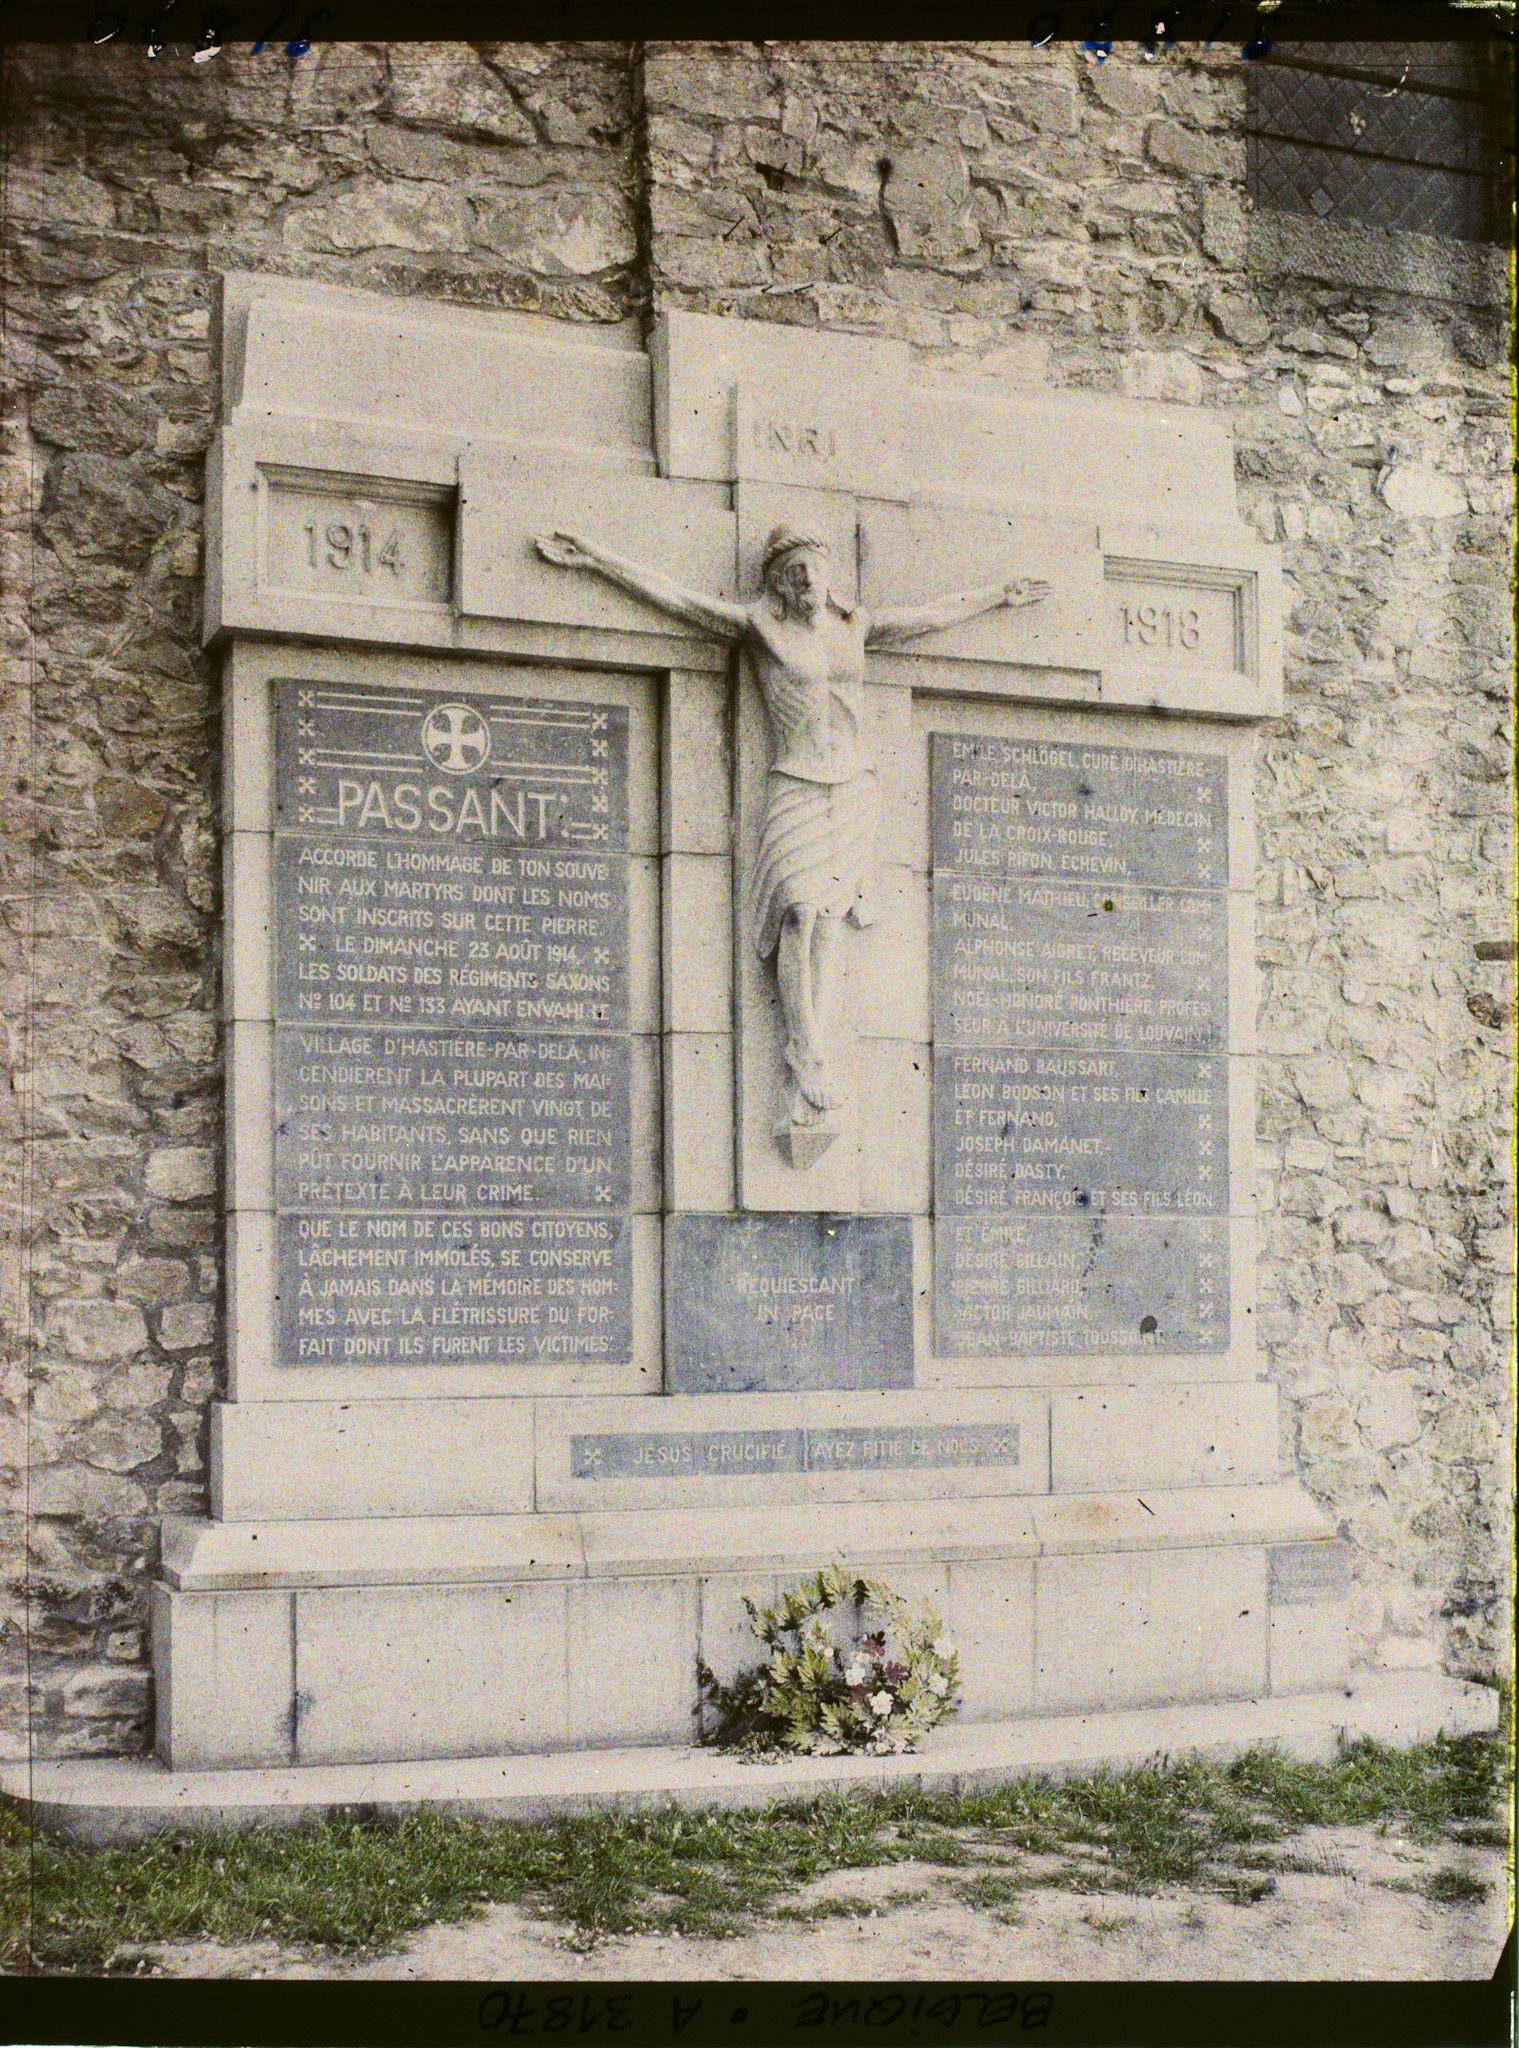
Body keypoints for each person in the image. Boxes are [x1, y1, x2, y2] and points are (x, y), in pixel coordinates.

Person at [535, 520, 1048, 1142]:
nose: (806, 579)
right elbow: (676, 598)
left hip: (853, 787)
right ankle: (803, 1049)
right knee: (798, 912)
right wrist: (595, 557)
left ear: (827, 575)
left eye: (814, 567)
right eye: (794, 571)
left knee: (830, 918)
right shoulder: (762, 627)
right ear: (779, 580)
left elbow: (933, 616)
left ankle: (811, 1050)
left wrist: (1000, 595)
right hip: (797, 783)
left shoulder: (854, 627)